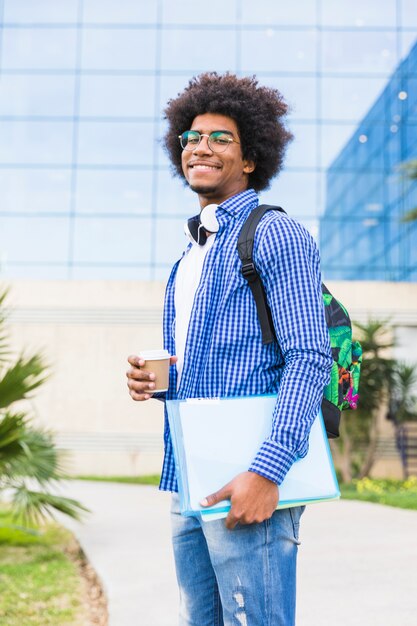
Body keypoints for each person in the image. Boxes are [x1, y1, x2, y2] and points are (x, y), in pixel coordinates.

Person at [126, 72, 332, 626]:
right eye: (193, 136)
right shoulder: (188, 257)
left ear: (250, 159)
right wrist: (157, 381)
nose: (202, 145)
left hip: (251, 474)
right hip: (189, 476)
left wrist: (267, 473)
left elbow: (311, 357)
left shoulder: (275, 235)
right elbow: (210, 366)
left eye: (221, 137)